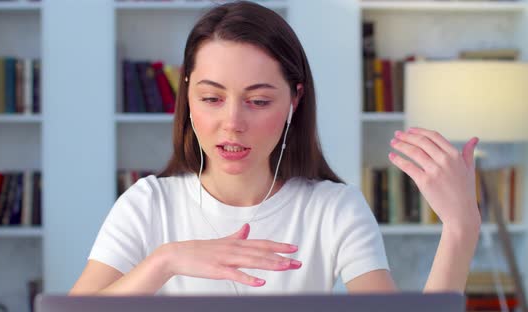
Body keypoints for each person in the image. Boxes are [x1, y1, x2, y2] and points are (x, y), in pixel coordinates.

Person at [70, 1, 480, 296]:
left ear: (293, 101)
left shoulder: (334, 208)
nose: (232, 122)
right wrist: (165, 262)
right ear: (188, 98)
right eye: (211, 98)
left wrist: (461, 230)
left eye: (259, 101)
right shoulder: (148, 204)